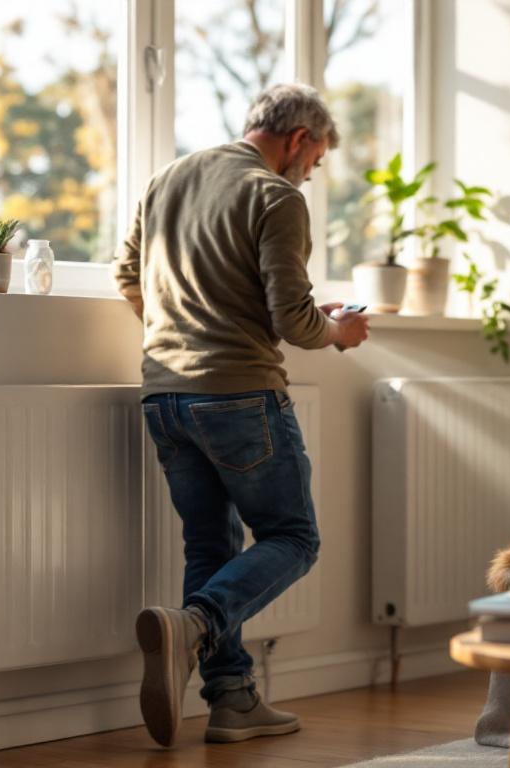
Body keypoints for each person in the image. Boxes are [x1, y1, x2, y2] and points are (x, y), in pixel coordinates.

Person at [111, 83, 370, 747]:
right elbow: (293, 320)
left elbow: (127, 275)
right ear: (298, 140)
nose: (307, 176)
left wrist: (178, 338)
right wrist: (338, 332)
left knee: (210, 544)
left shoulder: (166, 179)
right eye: (312, 165)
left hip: (163, 398)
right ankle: (196, 623)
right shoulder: (275, 197)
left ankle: (231, 701)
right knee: (293, 538)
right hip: (239, 396)